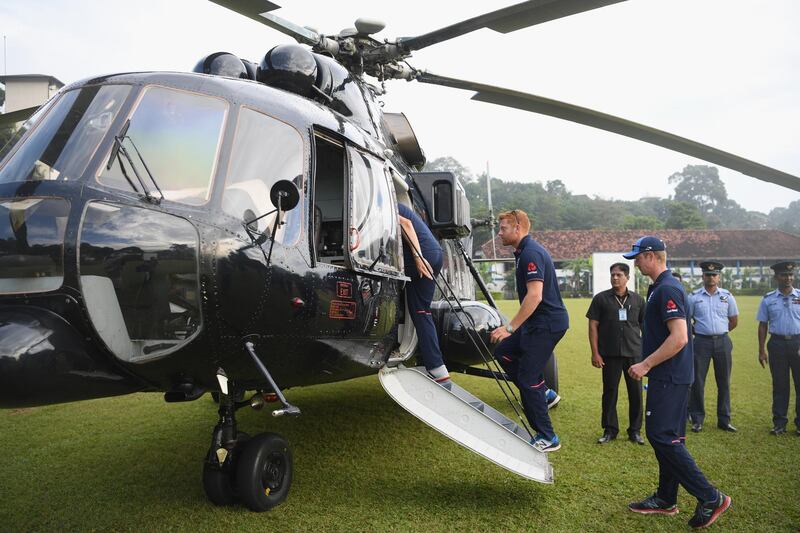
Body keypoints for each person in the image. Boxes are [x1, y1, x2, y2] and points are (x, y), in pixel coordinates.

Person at [623, 236, 731, 529]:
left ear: (651, 256)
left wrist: (646, 364)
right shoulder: (660, 286)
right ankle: (666, 497)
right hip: (670, 375)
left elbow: (680, 337)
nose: (634, 262)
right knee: (668, 437)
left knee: (661, 436)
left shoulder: (668, 287)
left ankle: (710, 497)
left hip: (669, 376)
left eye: (637, 257)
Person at [489, 209, 569, 453]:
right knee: (503, 351)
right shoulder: (524, 252)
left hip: (546, 324)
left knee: (526, 378)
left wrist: (510, 327)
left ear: (518, 228)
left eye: (503, 228)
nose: (499, 233)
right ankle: (544, 392)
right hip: (536, 324)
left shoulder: (530, 254)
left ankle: (547, 436)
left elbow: (535, 296)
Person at [586, 262, 645, 445]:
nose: (615, 278)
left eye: (619, 275)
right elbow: (593, 326)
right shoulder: (600, 299)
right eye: (613, 274)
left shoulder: (638, 300)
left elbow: (645, 327)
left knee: (636, 393)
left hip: (634, 354)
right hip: (609, 354)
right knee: (610, 392)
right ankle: (610, 430)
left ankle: (635, 431)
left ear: (627, 277)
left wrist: (647, 356)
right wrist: (595, 353)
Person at [397, 203, 450, 387]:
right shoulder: (400, 204)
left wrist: (418, 257)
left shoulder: (383, 202)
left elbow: (406, 225)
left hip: (422, 254)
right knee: (422, 312)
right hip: (435, 253)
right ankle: (438, 370)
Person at [687, 261, 739, 433]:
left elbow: (733, 321)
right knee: (698, 382)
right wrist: (702, 332)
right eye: (708, 274)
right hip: (701, 342)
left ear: (719, 277)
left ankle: (724, 420)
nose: (711, 277)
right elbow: (687, 322)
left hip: (722, 342)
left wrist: (719, 332)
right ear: (702, 276)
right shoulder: (694, 297)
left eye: (714, 274)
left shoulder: (727, 296)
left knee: (724, 381)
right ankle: (697, 419)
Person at [756, 261, 800, 436]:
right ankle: (779, 423)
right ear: (776, 277)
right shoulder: (768, 299)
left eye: (790, 274)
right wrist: (761, 350)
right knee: (780, 385)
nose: (788, 278)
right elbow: (762, 326)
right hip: (777, 345)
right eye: (784, 275)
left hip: (798, 343)